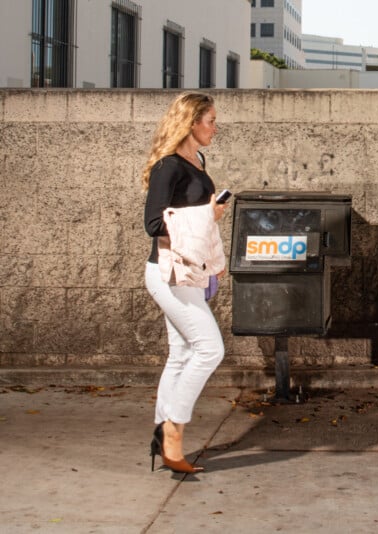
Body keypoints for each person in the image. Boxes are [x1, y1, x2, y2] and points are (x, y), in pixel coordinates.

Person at [142, 92, 227, 474]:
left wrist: (209, 217)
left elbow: (189, 219)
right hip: (168, 272)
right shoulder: (168, 167)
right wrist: (205, 214)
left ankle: (164, 432)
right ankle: (174, 428)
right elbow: (154, 225)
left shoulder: (198, 161)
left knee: (180, 355)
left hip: (189, 271)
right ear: (192, 122)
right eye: (210, 120)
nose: (215, 126)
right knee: (210, 349)